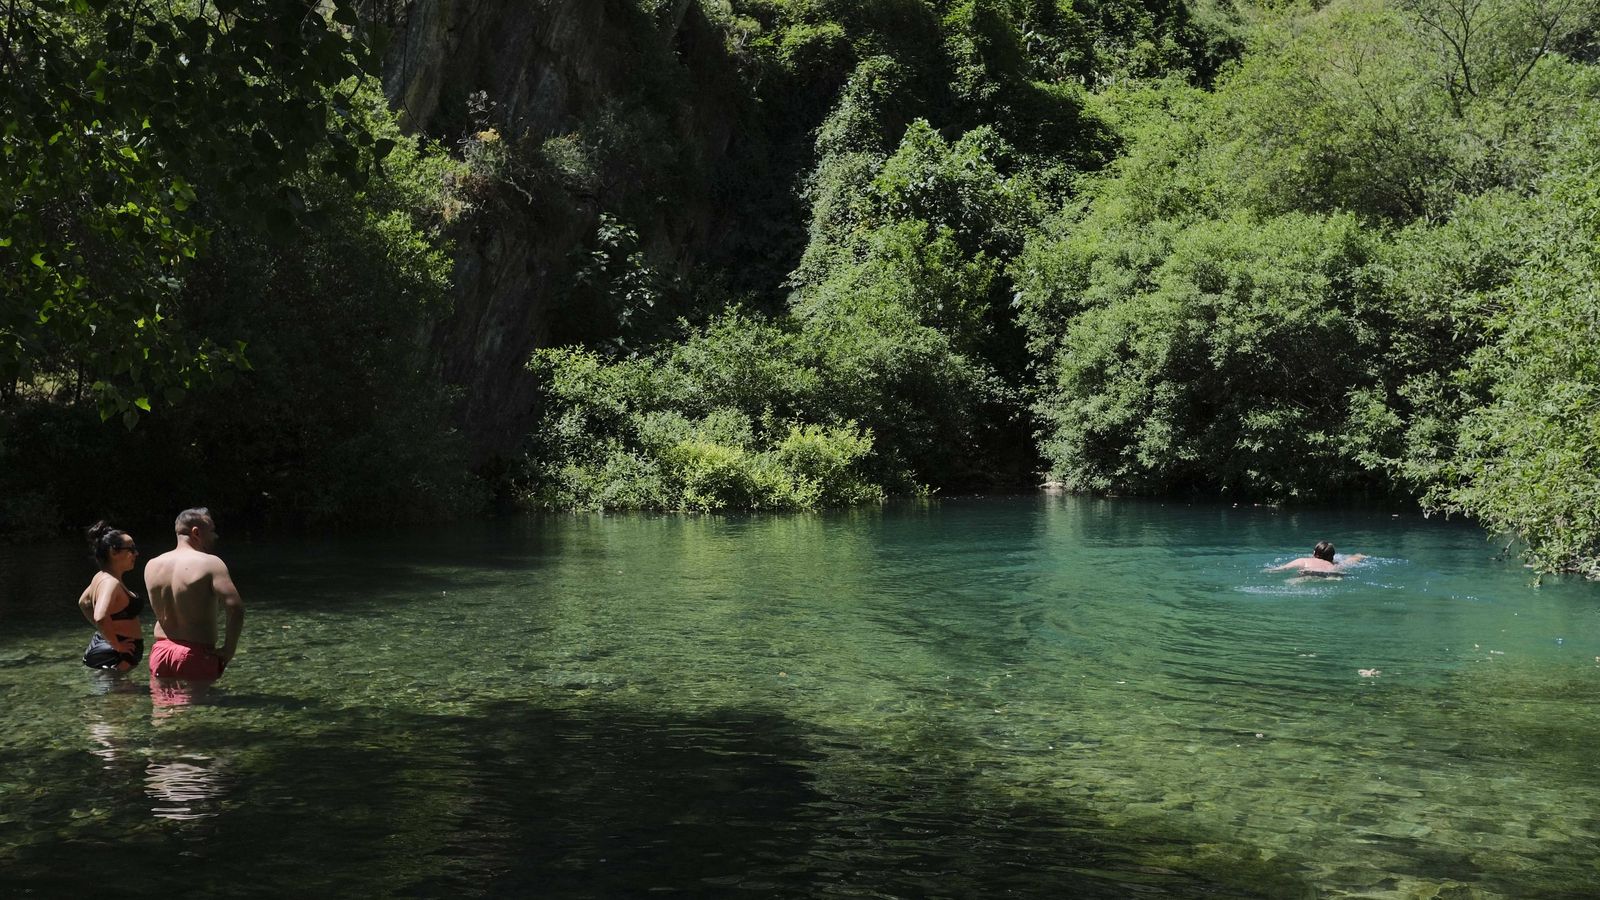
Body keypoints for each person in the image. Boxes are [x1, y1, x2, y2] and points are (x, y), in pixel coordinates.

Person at [144, 508, 244, 683]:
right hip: (195, 655)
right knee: (199, 708)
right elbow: (236, 608)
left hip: (160, 652)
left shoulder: (152, 565)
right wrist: (229, 650)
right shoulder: (210, 564)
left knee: (162, 708)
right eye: (212, 530)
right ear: (196, 532)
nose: (215, 536)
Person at [76, 522, 144, 672]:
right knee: (120, 694)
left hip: (107, 648)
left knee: (111, 694)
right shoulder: (110, 583)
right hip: (116, 654)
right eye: (131, 549)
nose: (136, 553)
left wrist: (106, 633)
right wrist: (117, 645)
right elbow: (100, 616)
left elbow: (83, 603)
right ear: (114, 552)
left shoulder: (101, 577)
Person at [1268, 541, 1366, 576]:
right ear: (1332, 556)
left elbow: (1282, 568)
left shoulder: (1303, 560)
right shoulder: (1336, 564)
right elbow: (1353, 559)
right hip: (1331, 573)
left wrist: (1270, 570)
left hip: (1308, 573)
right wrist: (1360, 555)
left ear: (1315, 553)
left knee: (1297, 579)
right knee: (1335, 577)